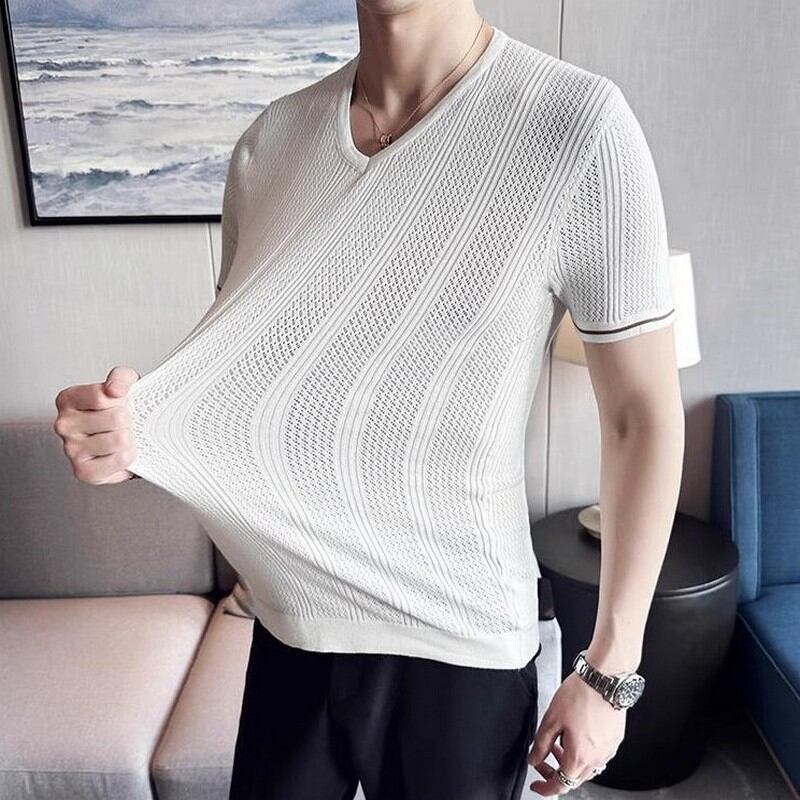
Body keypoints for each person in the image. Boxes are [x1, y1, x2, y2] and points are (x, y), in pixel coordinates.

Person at [53, 1, 684, 797]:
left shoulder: (576, 126)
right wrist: (140, 436)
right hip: (293, 623)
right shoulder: (271, 143)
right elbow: (259, 388)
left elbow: (641, 416)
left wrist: (610, 673)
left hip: (462, 638)